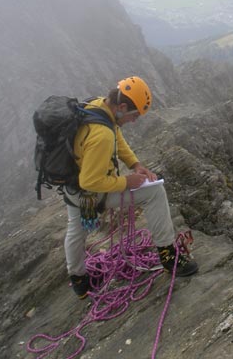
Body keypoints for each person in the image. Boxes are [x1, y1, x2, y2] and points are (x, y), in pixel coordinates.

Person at [64, 75, 198, 299]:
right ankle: (168, 256)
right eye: (134, 115)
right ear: (123, 106)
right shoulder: (102, 136)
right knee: (154, 192)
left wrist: (136, 165)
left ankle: (79, 280)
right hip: (91, 193)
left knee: (75, 230)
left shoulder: (98, 106)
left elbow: (117, 138)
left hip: (71, 190)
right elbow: (90, 181)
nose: (134, 121)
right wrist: (127, 181)